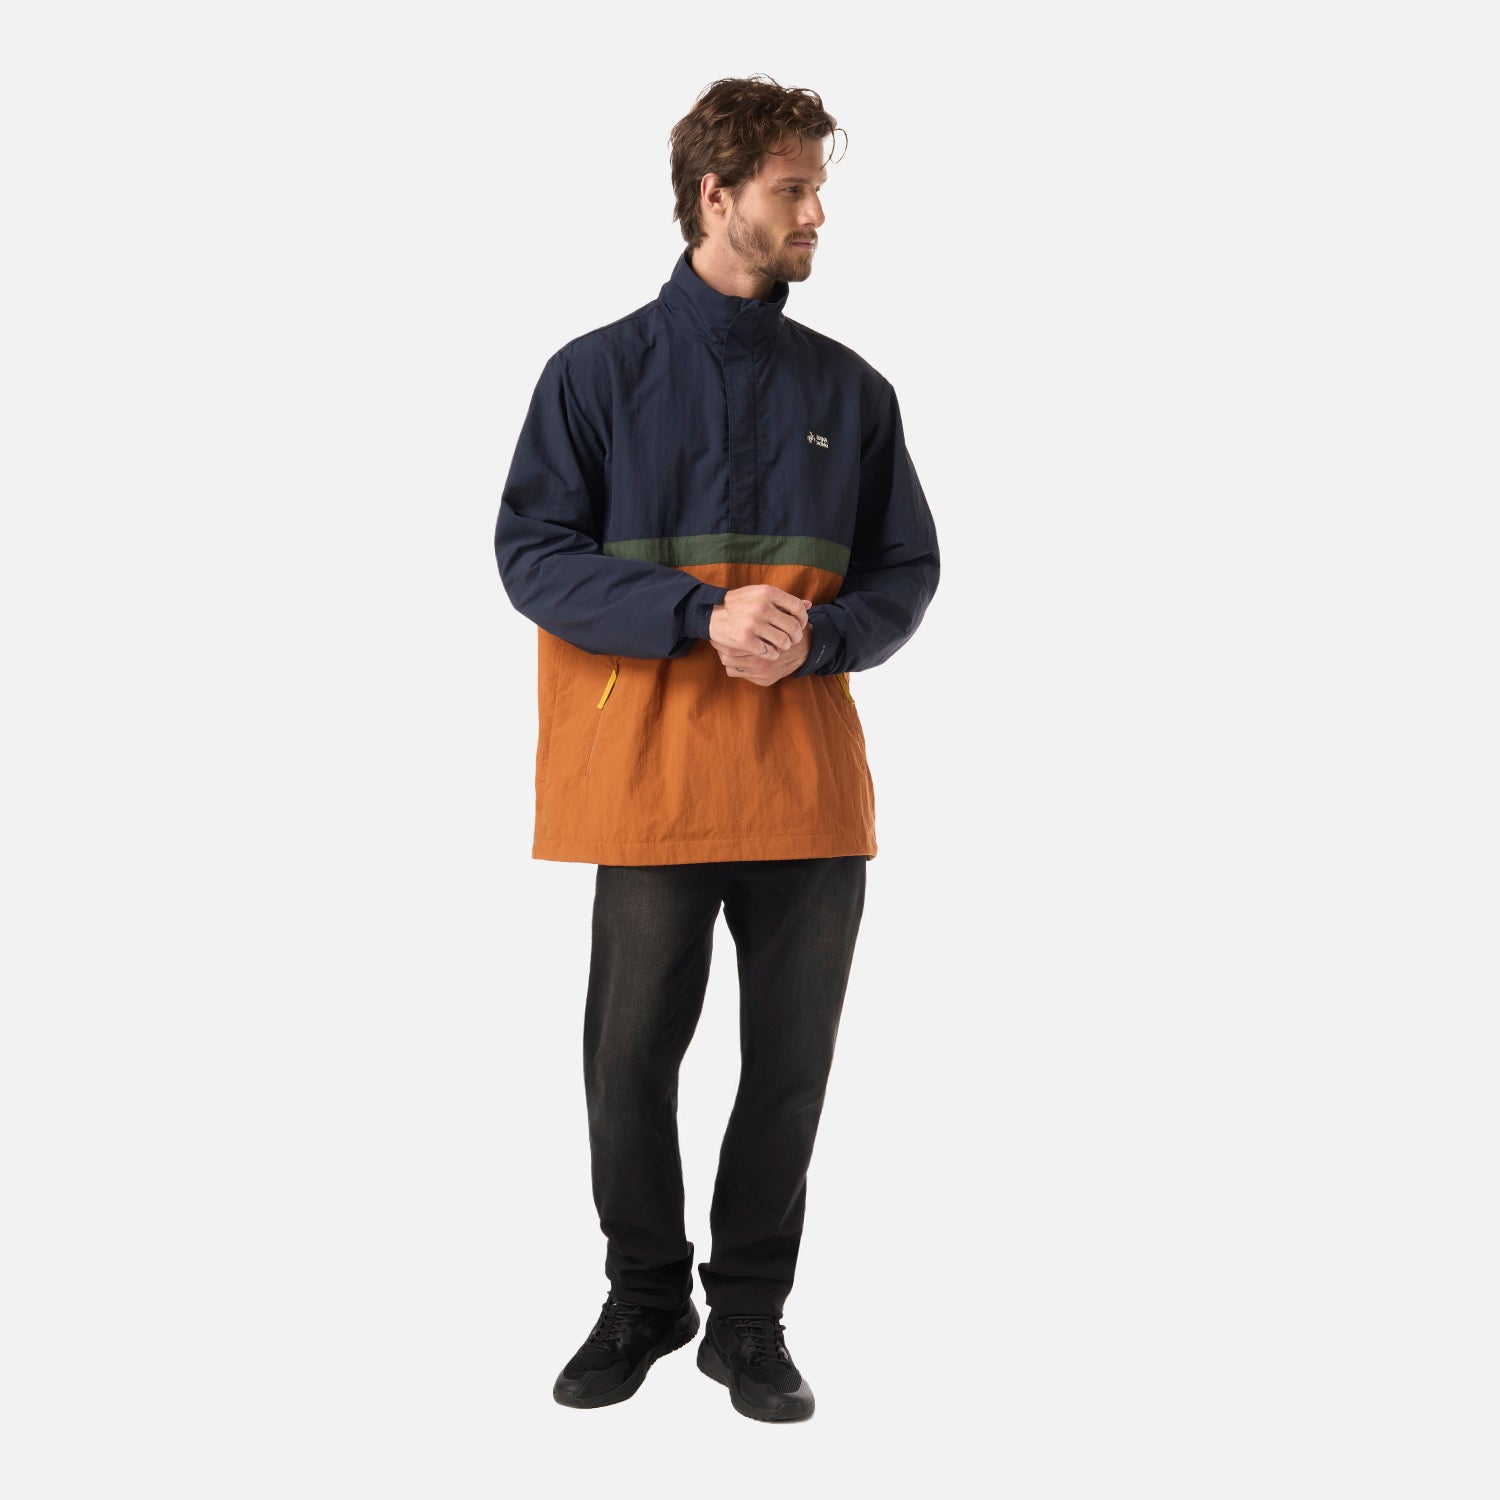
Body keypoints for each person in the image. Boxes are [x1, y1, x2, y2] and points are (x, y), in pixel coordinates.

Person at [493, 75, 940, 1423]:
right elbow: (530, 556)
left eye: (817, 189)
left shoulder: (851, 391)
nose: (817, 214)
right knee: (627, 1064)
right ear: (716, 193)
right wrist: (699, 615)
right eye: (793, 189)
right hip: (648, 786)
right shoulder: (593, 375)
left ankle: (747, 1318)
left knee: (789, 1072)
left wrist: (823, 636)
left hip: (807, 789)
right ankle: (644, 1297)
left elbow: (909, 570)